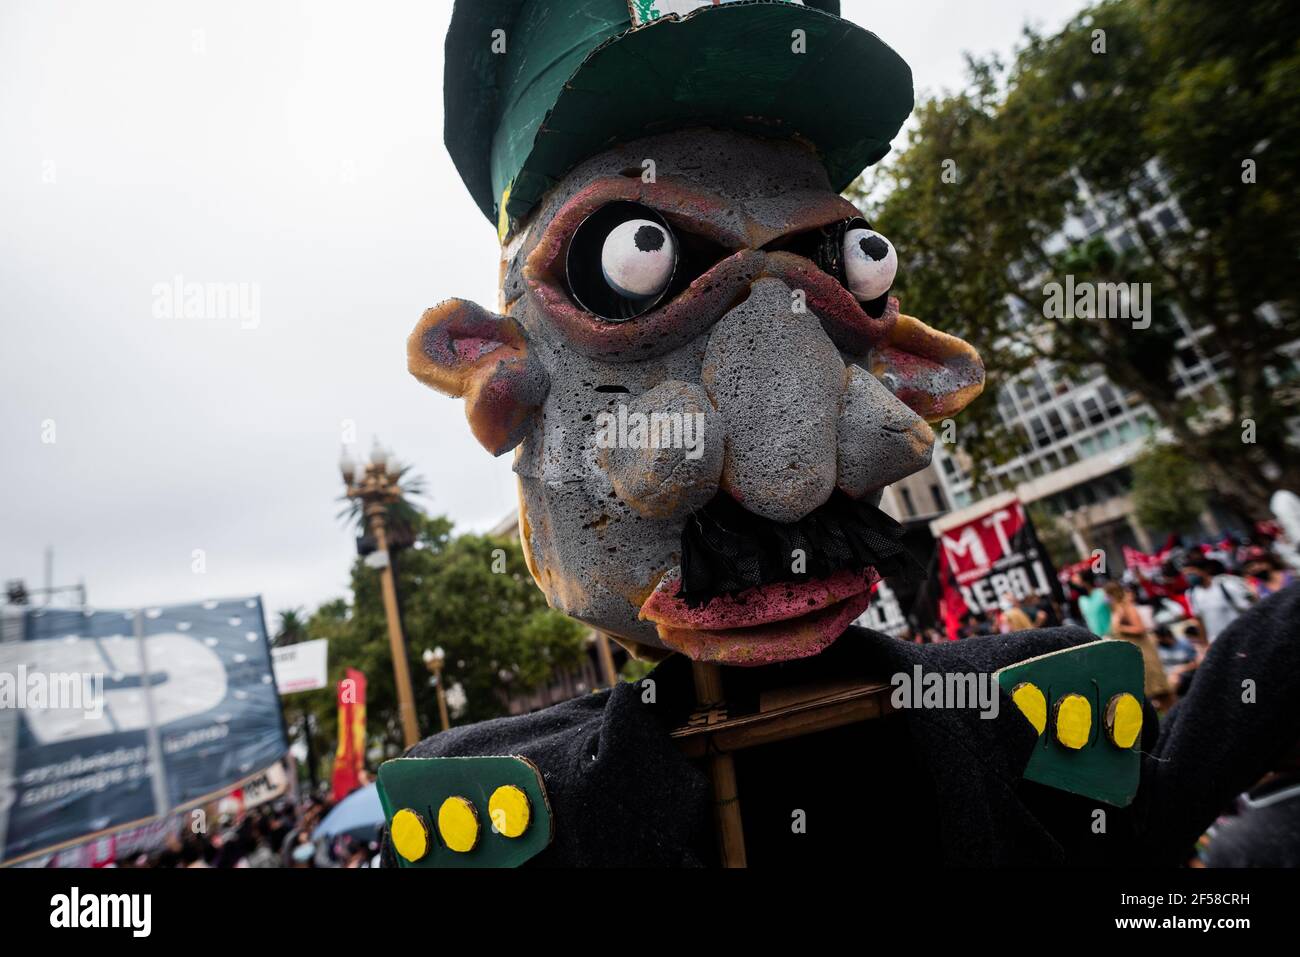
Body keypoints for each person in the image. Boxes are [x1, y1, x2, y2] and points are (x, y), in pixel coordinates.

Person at [1105, 581, 1172, 706]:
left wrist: (1121, 628)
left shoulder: (1127, 608)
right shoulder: (1116, 610)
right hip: (1133, 655)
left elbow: (1140, 628)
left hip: (1144, 652)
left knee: (1160, 690)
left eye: (1107, 595)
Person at [1181, 558, 1255, 643]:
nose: (1189, 577)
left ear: (1204, 569)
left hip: (1240, 637)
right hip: (1217, 642)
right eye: (1186, 575)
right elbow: (1200, 620)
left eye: (1191, 572)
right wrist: (1204, 643)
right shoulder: (1192, 594)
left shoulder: (1226, 585)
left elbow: (1248, 609)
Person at [1075, 570, 1112, 636]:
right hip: (1096, 639)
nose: (1077, 587)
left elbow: (1115, 609)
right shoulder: (1081, 600)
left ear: (1086, 582)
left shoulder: (1103, 593)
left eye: (1079, 583)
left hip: (1111, 635)